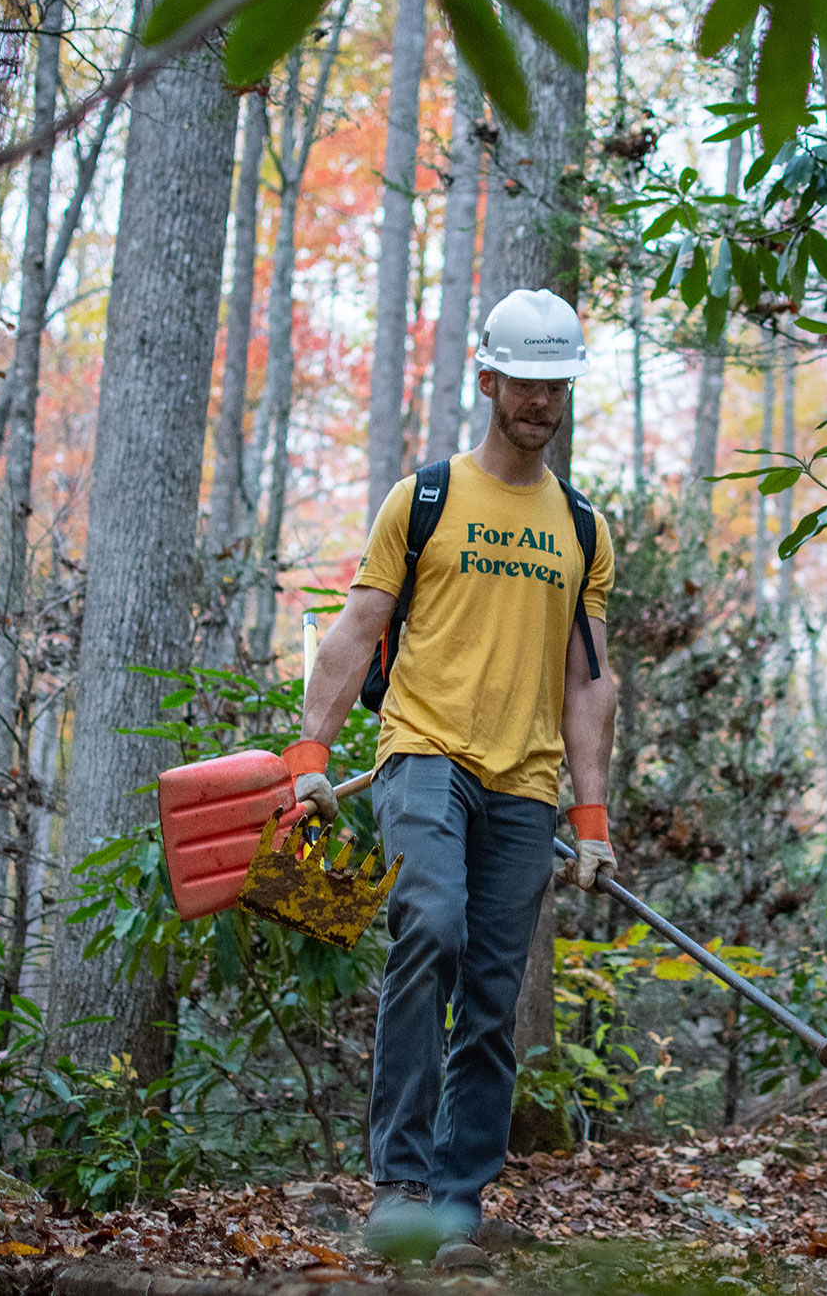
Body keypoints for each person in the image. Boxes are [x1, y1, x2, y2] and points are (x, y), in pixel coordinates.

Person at [283, 288, 619, 1274]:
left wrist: (590, 814)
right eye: (524, 381)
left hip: (524, 785)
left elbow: (587, 682)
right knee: (427, 922)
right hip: (423, 754)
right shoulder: (422, 499)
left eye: (556, 384)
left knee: (489, 993)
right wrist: (310, 755)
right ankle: (398, 1186)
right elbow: (352, 634)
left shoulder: (583, 529)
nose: (541, 402)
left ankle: (458, 1202)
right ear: (487, 380)